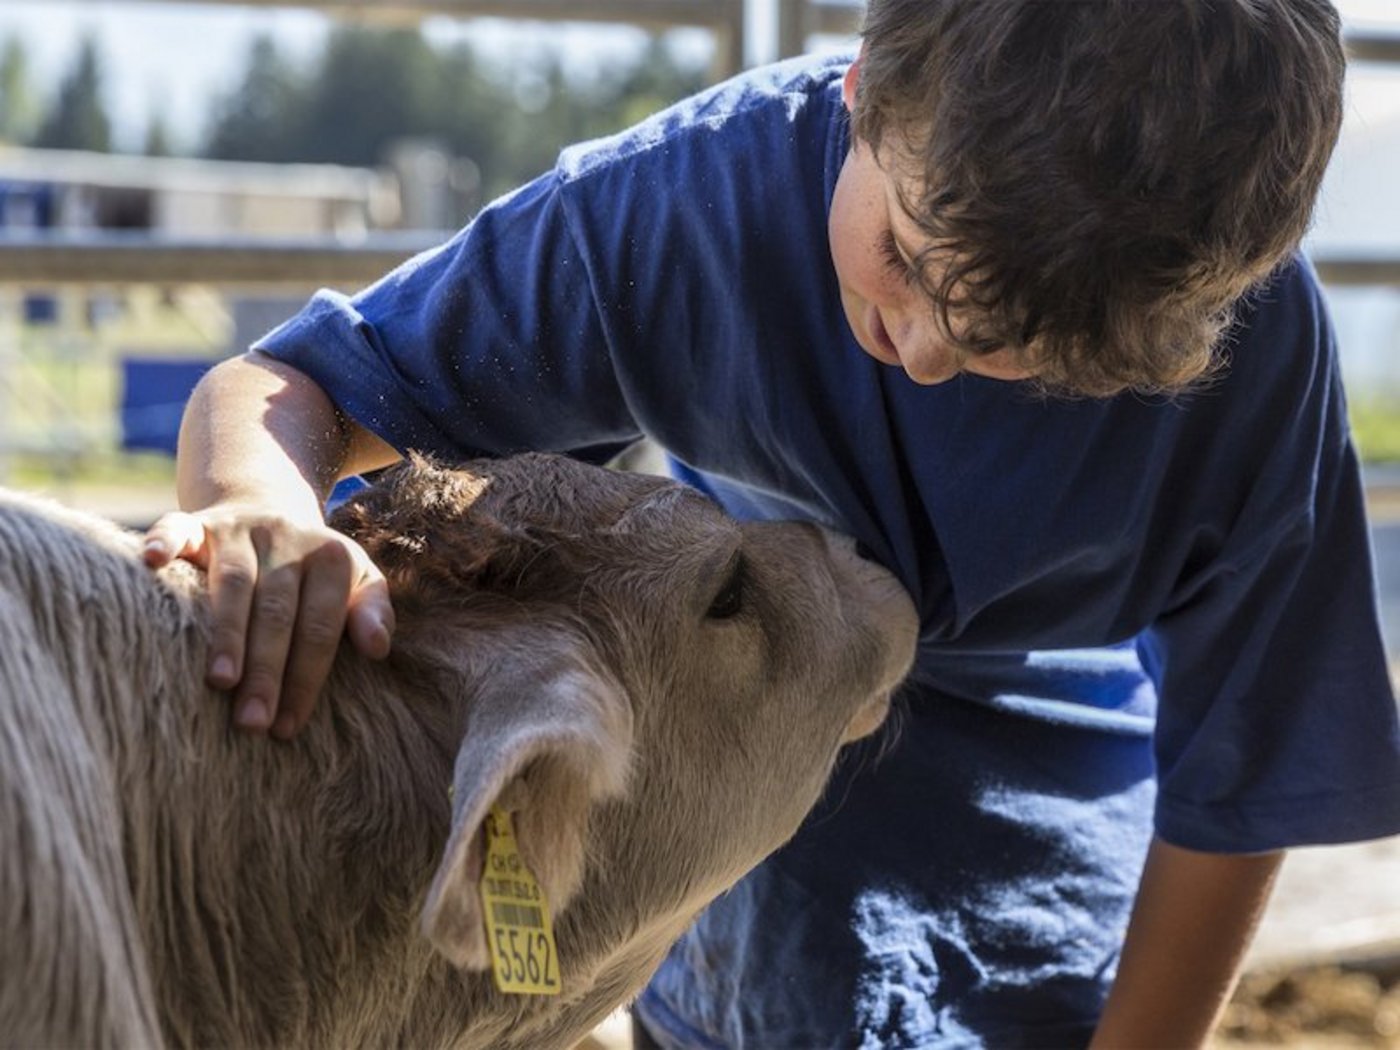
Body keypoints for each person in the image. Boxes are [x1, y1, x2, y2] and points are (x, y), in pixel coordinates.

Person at [144, 1, 1400, 1046]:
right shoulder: (684, 209)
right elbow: (287, 389)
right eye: (904, 259)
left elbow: (1246, 764)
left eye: (1021, 350)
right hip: (717, 808)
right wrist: (256, 498)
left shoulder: (1241, 352)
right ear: (864, 88)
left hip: (1050, 889)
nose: (919, 348)